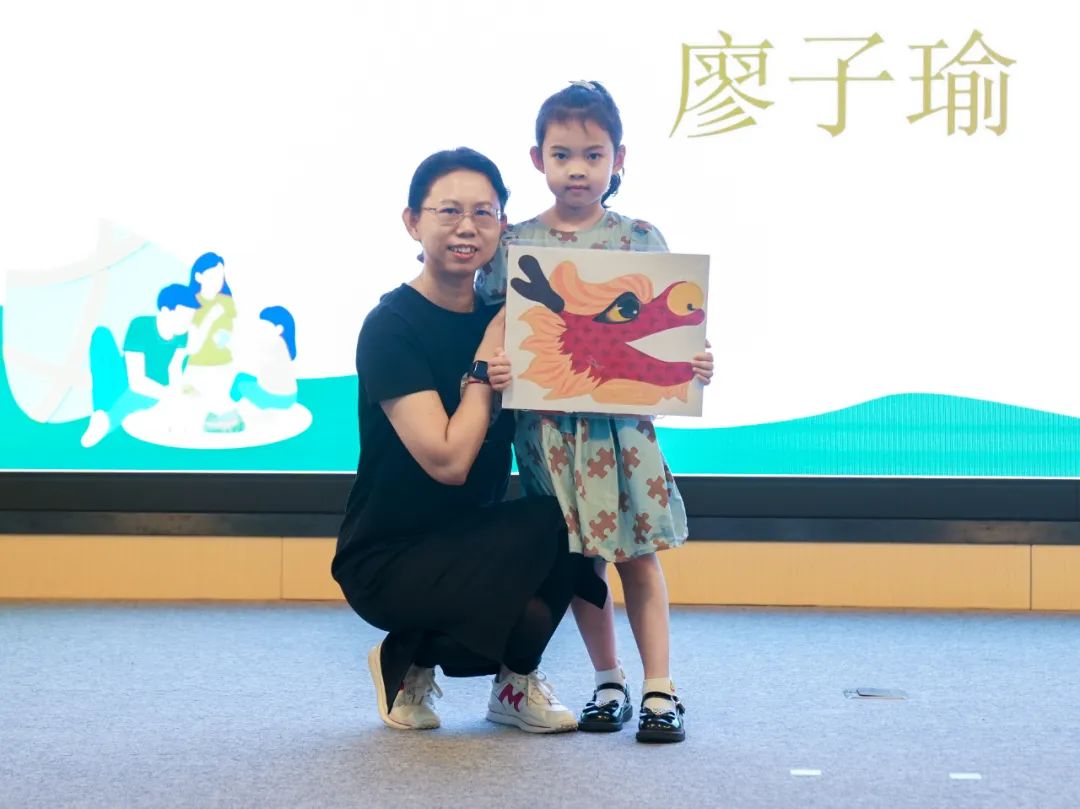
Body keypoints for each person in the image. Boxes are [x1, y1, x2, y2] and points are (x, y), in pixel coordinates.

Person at [332, 147, 605, 734]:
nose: (467, 227)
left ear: (502, 225)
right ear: (413, 222)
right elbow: (449, 461)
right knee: (539, 529)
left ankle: (513, 684)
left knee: (572, 522)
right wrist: (484, 365)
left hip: (474, 538)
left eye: (484, 212)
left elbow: (599, 366)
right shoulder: (391, 327)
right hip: (390, 556)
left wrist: (683, 362)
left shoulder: (514, 317)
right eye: (449, 211)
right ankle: (407, 658)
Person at [476, 81, 714, 743]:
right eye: (561, 154)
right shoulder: (515, 242)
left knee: (638, 556)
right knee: (580, 564)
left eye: (592, 154)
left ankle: (660, 688)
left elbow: (675, 334)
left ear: (618, 158)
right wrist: (497, 365)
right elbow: (496, 326)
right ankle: (608, 680)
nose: (577, 169)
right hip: (546, 435)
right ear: (537, 159)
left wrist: (696, 364)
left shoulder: (639, 238)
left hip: (622, 434)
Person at [80, 283, 202, 448]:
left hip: (155, 391)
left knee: (133, 401)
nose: (188, 322)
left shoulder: (183, 333)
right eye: (184, 315)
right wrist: (170, 395)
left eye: (191, 317)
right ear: (165, 311)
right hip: (126, 381)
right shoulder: (140, 326)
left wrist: (175, 394)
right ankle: (101, 415)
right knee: (101, 334)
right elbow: (136, 382)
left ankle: (104, 420)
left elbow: (174, 371)